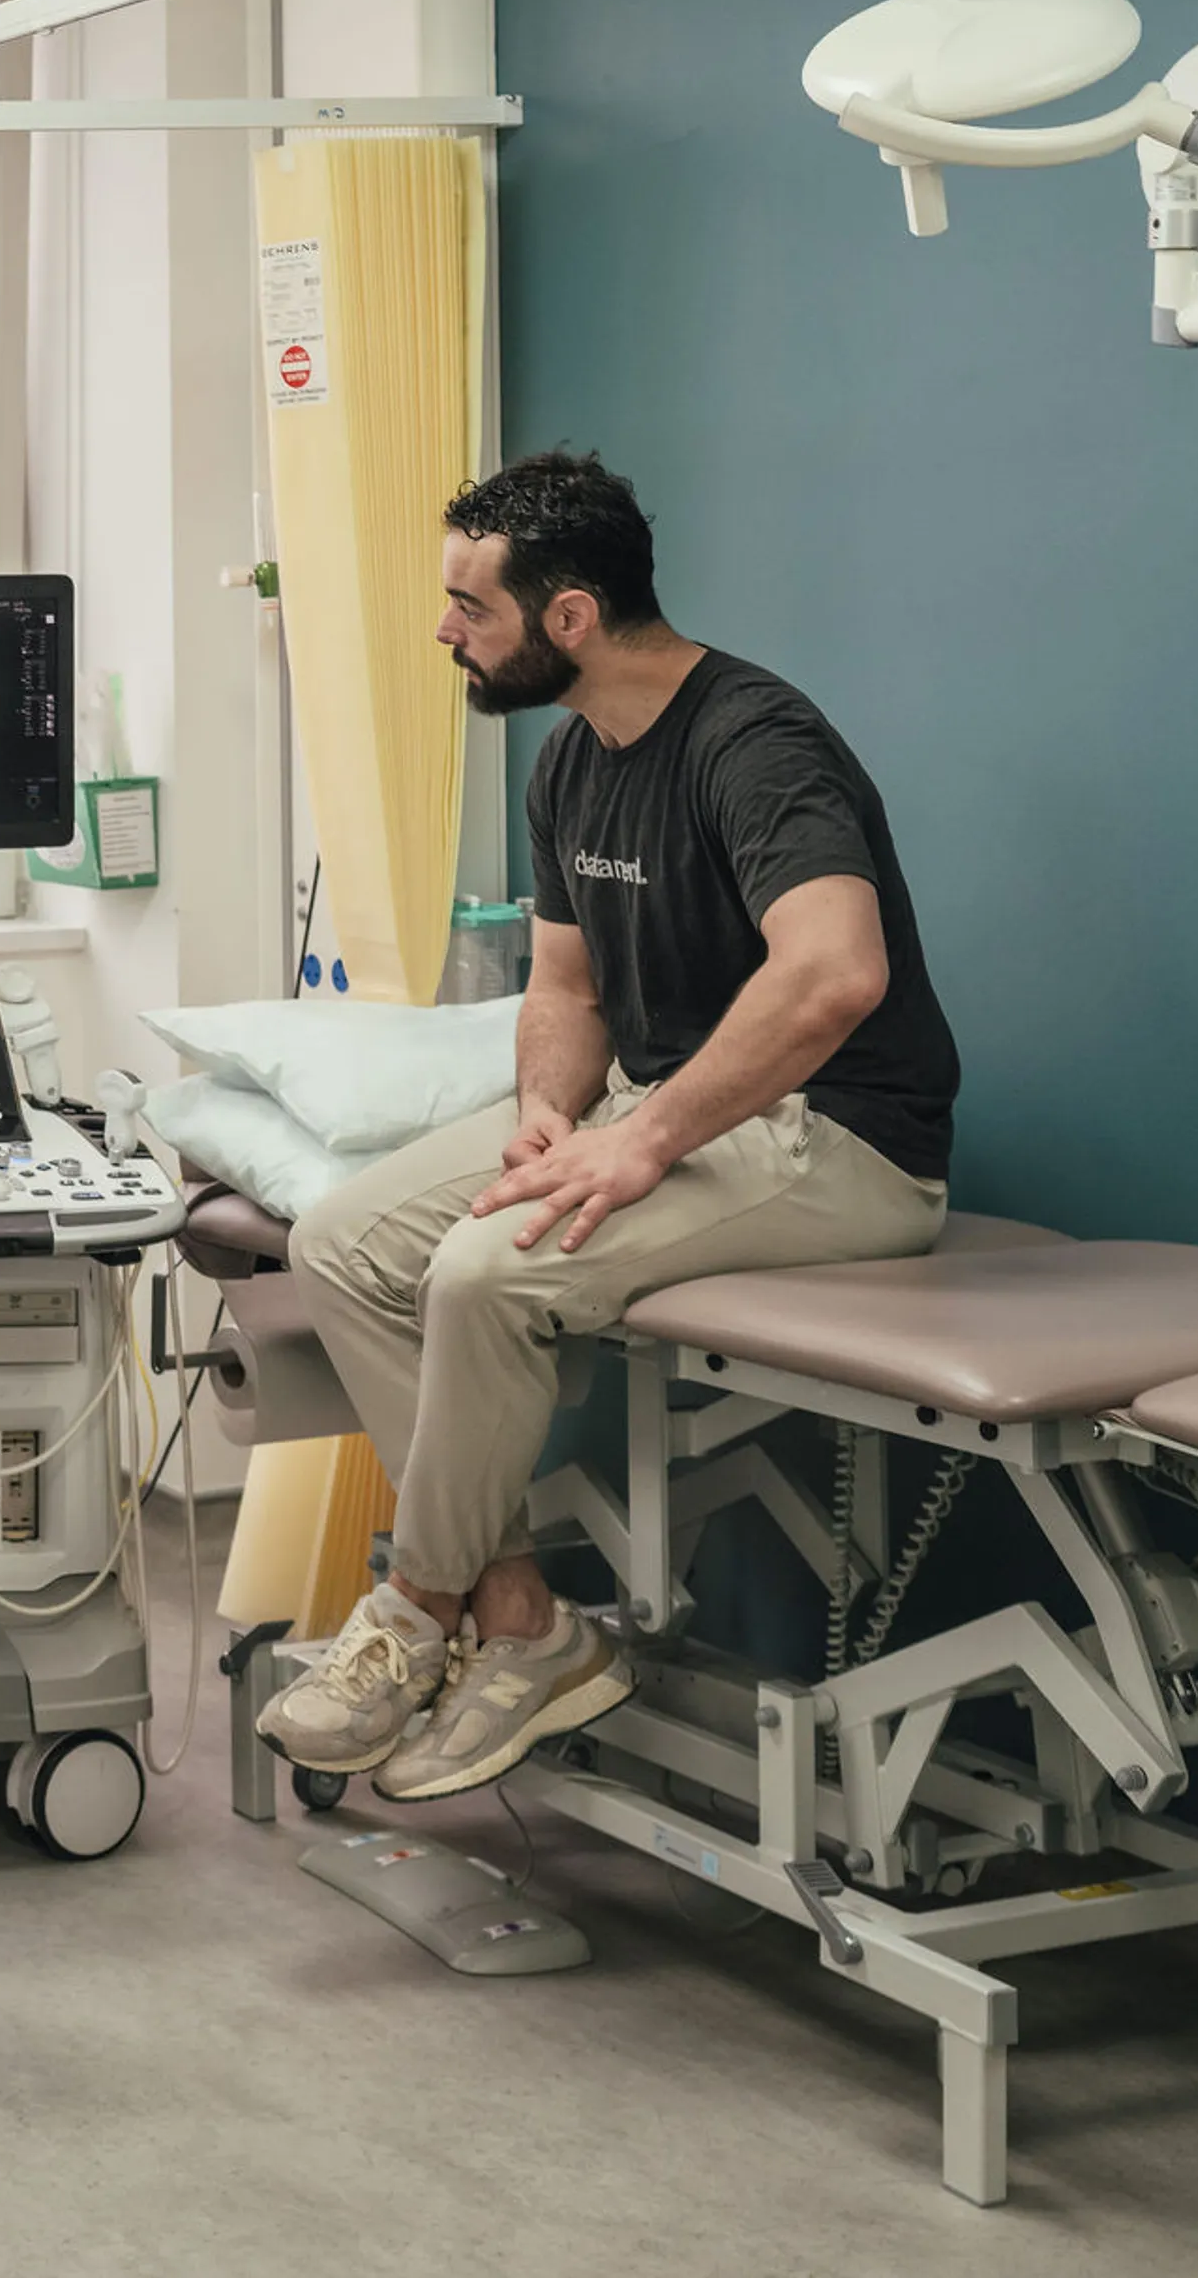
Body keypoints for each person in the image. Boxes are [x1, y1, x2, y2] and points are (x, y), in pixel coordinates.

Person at [257, 451, 962, 1804]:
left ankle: (414, 1614)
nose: (446, 632)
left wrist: (639, 1139)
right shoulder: (571, 761)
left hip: (844, 1140)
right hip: (675, 1109)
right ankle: (522, 1619)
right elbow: (567, 987)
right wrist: (543, 1113)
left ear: (568, 616)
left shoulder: (757, 744)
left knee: (486, 1271)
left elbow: (833, 973)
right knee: (342, 1238)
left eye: (471, 606)